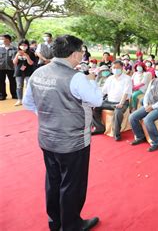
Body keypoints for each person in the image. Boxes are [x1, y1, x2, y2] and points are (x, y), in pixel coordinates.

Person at [23, 35, 102, 231]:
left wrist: (50, 116)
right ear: (75, 54)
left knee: (53, 181)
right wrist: (92, 80)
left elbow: (28, 103)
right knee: (72, 184)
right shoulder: (77, 78)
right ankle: (72, 225)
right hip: (72, 141)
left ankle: (55, 222)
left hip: (47, 138)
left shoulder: (38, 73)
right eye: (82, 53)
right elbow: (97, 101)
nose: (82, 56)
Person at [129, 62, 158, 152]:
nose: (157, 72)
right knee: (132, 117)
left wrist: (152, 107)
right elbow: (147, 94)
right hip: (149, 105)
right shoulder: (153, 81)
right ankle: (140, 136)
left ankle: (157, 141)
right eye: (156, 70)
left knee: (147, 120)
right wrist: (146, 105)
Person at [91, 61, 133, 141]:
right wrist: (96, 100)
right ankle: (99, 128)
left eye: (118, 68)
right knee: (95, 107)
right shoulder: (110, 78)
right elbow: (103, 92)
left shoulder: (127, 79)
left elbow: (126, 93)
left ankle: (116, 133)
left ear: (122, 68)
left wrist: (121, 103)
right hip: (109, 102)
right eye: (114, 68)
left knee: (118, 112)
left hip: (122, 102)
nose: (115, 69)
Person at [12, 39, 37, 106]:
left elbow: (31, 63)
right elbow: (14, 62)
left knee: (28, 85)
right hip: (19, 71)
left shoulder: (31, 53)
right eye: (21, 45)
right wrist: (17, 55)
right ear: (19, 46)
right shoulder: (16, 52)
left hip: (28, 71)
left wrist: (27, 56)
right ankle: (19, 99)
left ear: (27, 45)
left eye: (25, 45)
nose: (23, 46)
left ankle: (29, 99)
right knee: (19, 86)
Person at [0, 34, 17, 100]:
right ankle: (2, 95)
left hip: (11, 68)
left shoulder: (14, 49)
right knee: (1, 81)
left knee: (13, 81)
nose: (1, 40)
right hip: (1, 68)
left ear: (8, 40)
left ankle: (14, 94)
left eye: (2, 39)